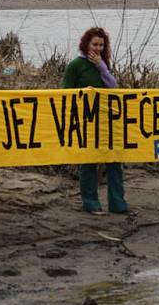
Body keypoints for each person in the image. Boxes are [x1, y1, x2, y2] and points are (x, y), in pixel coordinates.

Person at [61, 27, 129, 215]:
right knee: (88, 162)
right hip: (86, 122)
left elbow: (113, 86)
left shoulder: (103, 63)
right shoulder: (75, 65)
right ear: (86, 44)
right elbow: (65, 92)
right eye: (95, 44)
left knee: (114, 161)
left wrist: (101, 66)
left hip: (107, 121)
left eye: (101, 45)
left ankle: (117, 203)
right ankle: (90, 202)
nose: (98, 48)